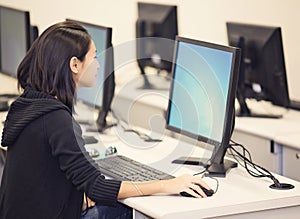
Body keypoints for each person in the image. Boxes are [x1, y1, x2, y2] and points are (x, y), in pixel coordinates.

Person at [0, 21, 211, 219]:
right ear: (75, 64)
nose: (99, 66)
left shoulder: (29, 103)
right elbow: (98, 187)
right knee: (129, 210)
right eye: (95, 57)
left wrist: (75, 192)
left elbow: (51, 174)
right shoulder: (56, 119)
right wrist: (169, 185)